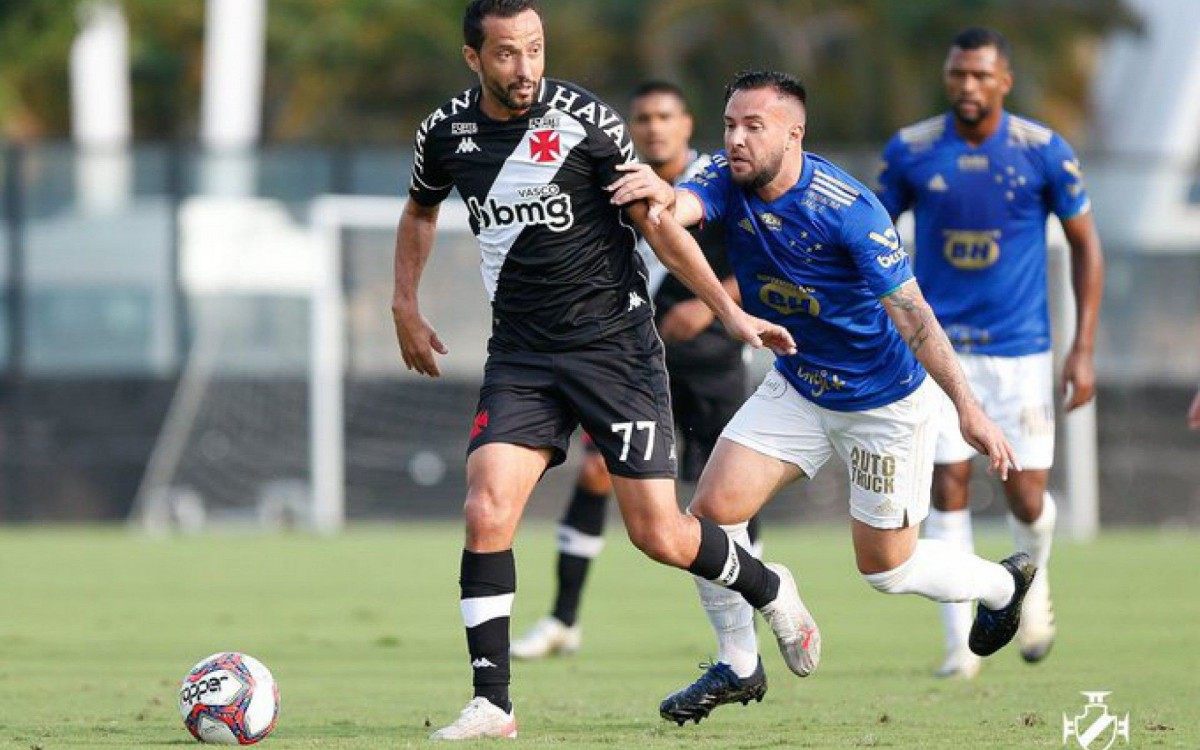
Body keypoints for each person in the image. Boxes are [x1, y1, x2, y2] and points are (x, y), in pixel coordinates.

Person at [396, 2, 810, 740]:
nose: (525, 68)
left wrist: (729, 313)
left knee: (660, 535)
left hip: (614, 349)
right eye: (505, 54)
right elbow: (420, 211)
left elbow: (657, 221)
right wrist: (404, 304)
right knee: (487, 508)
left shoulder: (584, 120)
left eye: (535, 49)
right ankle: (494, 703)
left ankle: (770, 585)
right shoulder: (446, 133)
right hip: (521, 354)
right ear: (472, 59)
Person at [607, 69, 1030, 727]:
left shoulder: (850, 211)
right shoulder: (723, 174)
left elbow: (915, 315)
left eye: (755, 126)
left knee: (887, 569)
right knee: (710, 515)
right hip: (799, 385)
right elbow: (678, 212)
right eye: (730, 125)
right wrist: (663, 194)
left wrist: (968, 408)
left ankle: (1005, 585)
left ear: (794, 134)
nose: (737, 139)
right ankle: (739, 664)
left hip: (882, 404)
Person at [876, 27, 1105, 679]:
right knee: (946, 484)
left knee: (1026, 497)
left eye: (980, 75)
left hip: (1021, 356)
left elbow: (1087, 246)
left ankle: (1032, 583)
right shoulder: (914, 151)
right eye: (957, 75)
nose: (967, 87)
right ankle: (960, 644)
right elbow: (870, 235)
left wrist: (1082, 348)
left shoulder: (1043, 151)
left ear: (1004, 79)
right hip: (940, 353)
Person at [510, 81, 763, 661]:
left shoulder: (716, 182)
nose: (653, 127)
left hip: (714, 363)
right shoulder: (609, 180)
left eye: (664, 116)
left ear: (687, 123)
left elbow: (764, 255)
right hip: (635, 362)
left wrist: (712, 303)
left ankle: (752, 616)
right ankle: (562, 621)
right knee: (596, 471)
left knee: (729, 497)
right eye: (643, 116)